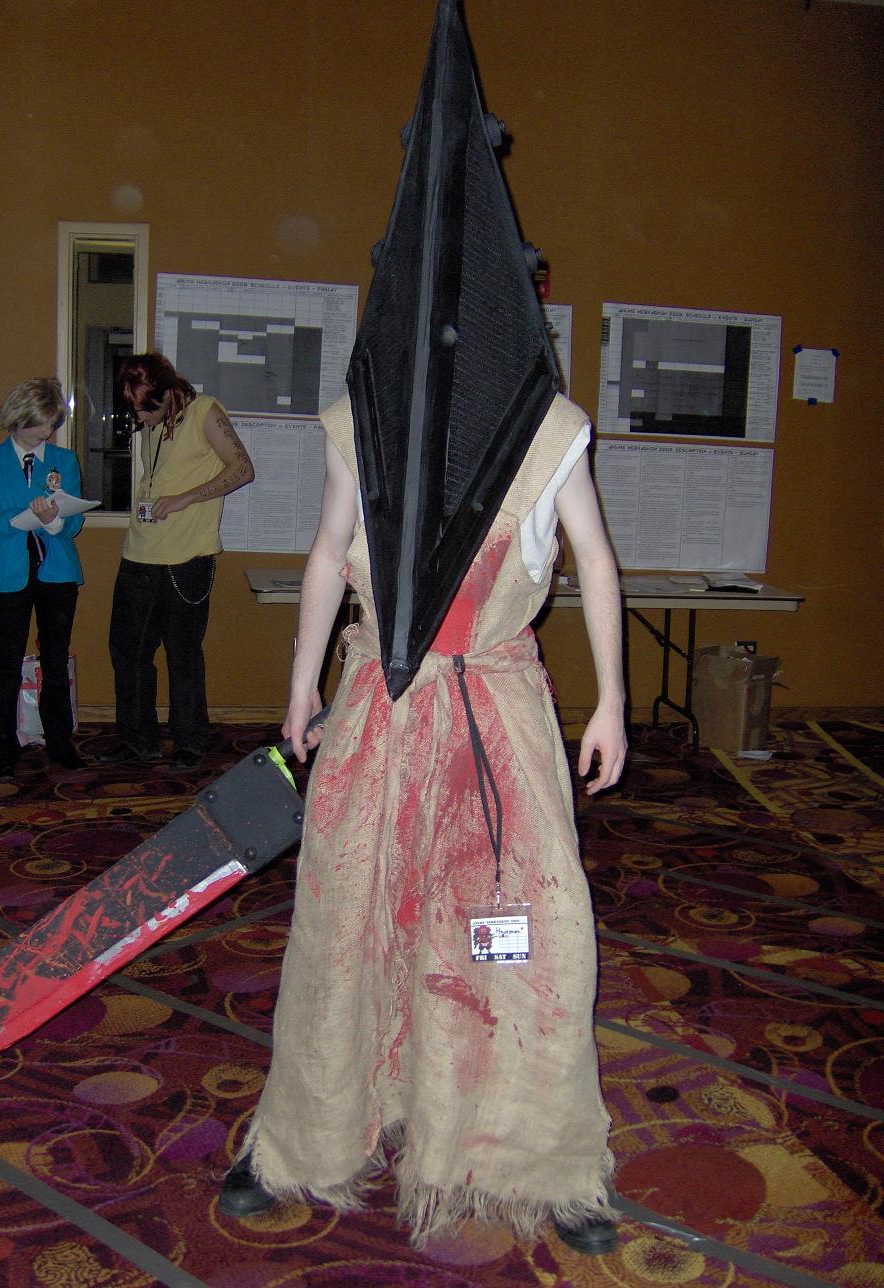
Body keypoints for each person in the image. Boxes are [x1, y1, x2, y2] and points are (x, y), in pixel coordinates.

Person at [220, 392, 628, 1254]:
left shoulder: (550, 427)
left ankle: (544, 1160)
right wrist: (301, 686)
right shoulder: (362, 418)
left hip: (494, 717)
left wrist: (612, 703)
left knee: (523, 933)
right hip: (380, 709)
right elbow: (330, 551)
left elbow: (593, 555)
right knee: (346, 922)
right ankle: (308, 1134)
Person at [99, 353, 254, 770]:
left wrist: (187, 498)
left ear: (168, 392)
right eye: (133, 410)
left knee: (182, 654)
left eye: (145, 409)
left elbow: (243, 469)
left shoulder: (205, 411)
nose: (140, 418)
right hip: (138, 553)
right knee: (127, 652)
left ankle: (189, 741)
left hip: (186, 559)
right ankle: (138, 740)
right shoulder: (153, 424)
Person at [0, 378, 85, 777]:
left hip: (56, 570)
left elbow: (75, 522)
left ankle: (60, 744)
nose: (48, 432)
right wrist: (27, 516)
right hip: (8, 571)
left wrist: (54, 522)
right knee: (7, 660)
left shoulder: (64, 460)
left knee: (55, 658)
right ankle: (0, 749)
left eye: (53, 423)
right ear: (19, 419)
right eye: (42, 423)